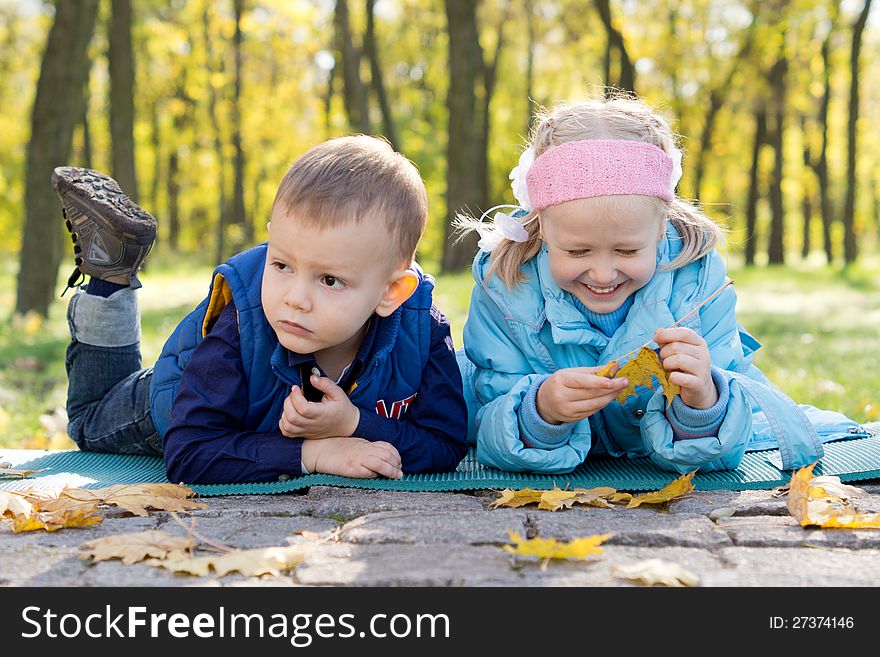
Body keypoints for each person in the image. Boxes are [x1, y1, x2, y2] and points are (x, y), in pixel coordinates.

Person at [457, 95, 865, 475]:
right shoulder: (507, 288)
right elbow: (487, 419)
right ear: (542, 226)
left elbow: (727, 443)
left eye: (627, 251)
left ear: (660, 227)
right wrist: (539, 411)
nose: (602, 274)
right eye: (578, 253)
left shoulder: (696, 283)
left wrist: (702, 403)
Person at [57, 135, 469, 484]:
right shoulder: (244, 321)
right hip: (187, 393)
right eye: (282, 265)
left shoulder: (421, 331)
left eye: (329, 280)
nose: (295, 298)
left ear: (391, 292)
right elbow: (188, 453)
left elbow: (446, 444)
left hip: (241, 406)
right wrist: (312, 455)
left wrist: (353, 425)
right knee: (88, 419)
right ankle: (109, 273)